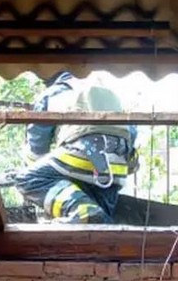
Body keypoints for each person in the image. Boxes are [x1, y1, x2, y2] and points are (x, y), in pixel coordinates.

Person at [13, 72, 137, 223]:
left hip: (82, 153)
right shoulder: (109, 93)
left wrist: (36, 167)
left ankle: (79, 209)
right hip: (116, 167)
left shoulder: (54, 92)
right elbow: (132, 133)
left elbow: (37, 147)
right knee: (100, 224)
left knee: (28, 178)